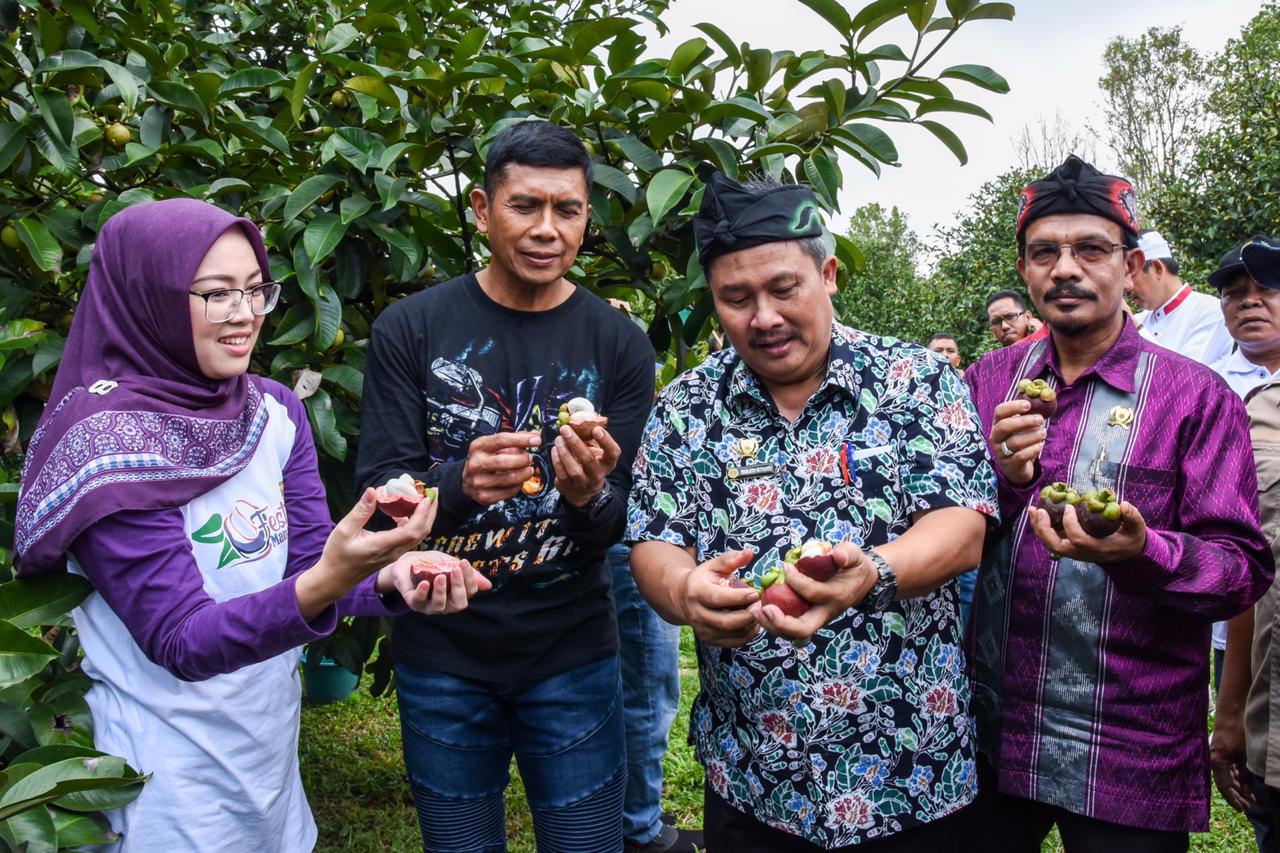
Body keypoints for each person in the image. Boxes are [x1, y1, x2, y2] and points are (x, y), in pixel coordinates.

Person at [10, 199, 486, 851]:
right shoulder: (108, 447)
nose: (245, 314)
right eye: (214, 293)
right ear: (148, 299)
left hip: (265, 754)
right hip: (164, 784)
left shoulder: (272, 412)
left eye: (256, 287)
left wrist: (389, 576)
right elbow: (183, 639)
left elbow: (311, 563)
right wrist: (336, 576)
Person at [627, 167, 996, 852]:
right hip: (755, 777)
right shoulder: (685, 409)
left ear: (827, 275)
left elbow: (962, 526)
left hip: (911, 771)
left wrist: (872, 572)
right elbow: (654, 540)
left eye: (783, 288)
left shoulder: (915, 380)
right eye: (735, 298)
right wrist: (685, 591)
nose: (762, 316)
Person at [356, 120, 656, 853]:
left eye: (568, 209)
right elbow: (377, 488)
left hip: (573, 652)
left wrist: (587, 496)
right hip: (441, 655)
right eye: (525, 206)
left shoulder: (619, 344)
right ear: (482, 209)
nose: (548, 229)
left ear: (588, 215)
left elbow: (620, 520)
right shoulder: (411, 328)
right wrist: (458, 484)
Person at [962, 155, 1274, 852]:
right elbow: (944, 534)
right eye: (1045, 251)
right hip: (993, 728)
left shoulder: (1195, 397)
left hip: (1131, 744)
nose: (1065, 268)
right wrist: (1005, 477)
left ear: (1131, 266)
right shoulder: (983, 384)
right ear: (1024, 268)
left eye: (1091, 249)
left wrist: (1145, 550)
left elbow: (1242, 568)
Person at [1207, 236, 1280, 850]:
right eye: (1234, 294)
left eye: (1267, 289)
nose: (1249, 302)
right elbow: (1247, 572)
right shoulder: (1237, 405)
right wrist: (1229, 712)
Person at [1128, 229, 1234, 365]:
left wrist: (1135, 327)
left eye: (1130, 275)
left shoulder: (1210, 311)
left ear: (1157, 268)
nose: (1125, 286)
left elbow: (1185, 376)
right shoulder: (1139, 319)